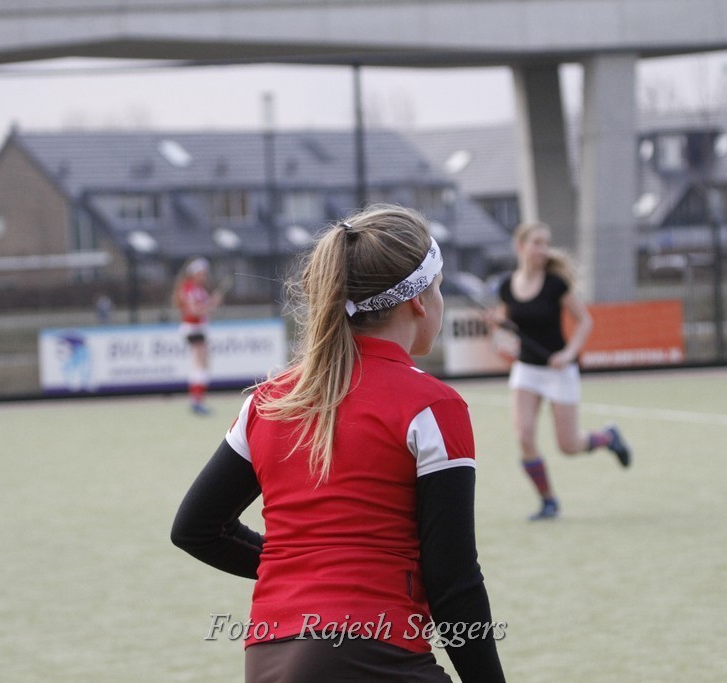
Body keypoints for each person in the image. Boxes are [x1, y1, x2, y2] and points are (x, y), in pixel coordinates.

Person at [171, 204, 505, 682]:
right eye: (439, 286)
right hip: (372, 656)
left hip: (267, 661)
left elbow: (195, 529)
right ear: (418, 300)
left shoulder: (268, 402)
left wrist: (305, 569)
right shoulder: (432, 405)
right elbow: (453, 582)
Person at [494, 222, 631, 521]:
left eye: (546, 243)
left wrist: (568, 354)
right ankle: (548, 502)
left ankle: (608, 438)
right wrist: (501, 329)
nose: (543, 249)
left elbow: (585, 321)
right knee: (524, 436)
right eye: (537, 243)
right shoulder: (506, 286)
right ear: (520, 246)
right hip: (526, 370)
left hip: (559, 372)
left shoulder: (555, 284)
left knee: (568, 446)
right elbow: (503, 323)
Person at [173, 257, 221, 415]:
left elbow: (204, 311)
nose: (204, 276)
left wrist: (212, 304)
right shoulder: (189, 288)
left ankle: (198, 399)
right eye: (201, 273)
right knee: (199, 365)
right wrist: (211, 304)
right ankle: (196, 401)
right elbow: (194, 311)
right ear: (194, 273)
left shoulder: (199, 289)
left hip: (199, 328)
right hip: (193, 329)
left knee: (202, 365)